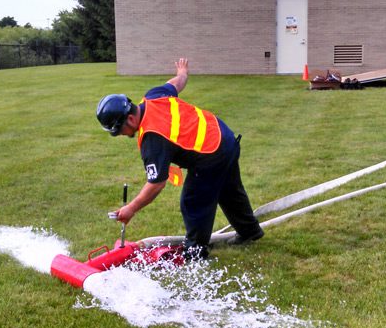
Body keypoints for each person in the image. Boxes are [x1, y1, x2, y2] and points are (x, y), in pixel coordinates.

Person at [96, 58, 263, 259]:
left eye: (118, 130)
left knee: (193, 202)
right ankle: (249, 232)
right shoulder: (152, 97)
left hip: (211, 154)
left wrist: (131, 208)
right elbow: (175, 84)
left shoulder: (152, 138)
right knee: (229, 189)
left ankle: (195, 253)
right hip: (224, 137)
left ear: (130, 119)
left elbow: (156, 183)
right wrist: (182, 72)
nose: (121, 135)